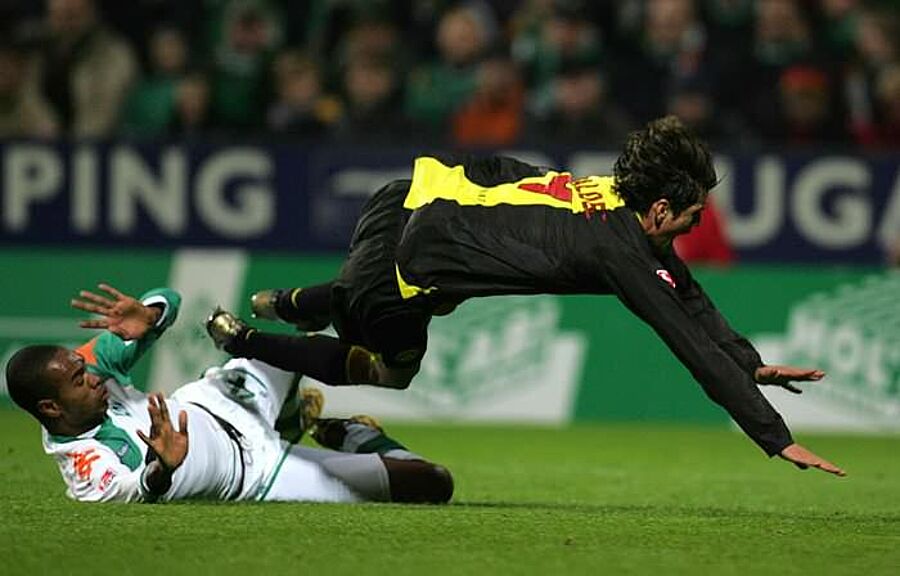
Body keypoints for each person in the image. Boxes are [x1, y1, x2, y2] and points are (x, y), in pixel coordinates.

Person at [206, 116, 846, 477]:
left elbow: (688, 295)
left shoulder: (608, 194)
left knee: (395, 300)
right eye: (691, 216)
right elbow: (685, 341)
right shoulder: (618, 251)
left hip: (404, 197)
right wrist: (774, 436)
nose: (694, 226)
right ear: (658, 209)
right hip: (403, 267)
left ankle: (290, 302)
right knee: (391, 371)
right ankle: (246, 339)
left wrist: (749, 363)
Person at [5, 284, 453, 504]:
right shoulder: (85, 467)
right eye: (78, 380)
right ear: (50, 407)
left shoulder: (90, 369)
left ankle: (290, 416)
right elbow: (136, 490)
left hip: (223, 399)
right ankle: (353, 435)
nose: (91, 377)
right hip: (258, 473)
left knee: (308, 340)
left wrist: (150, 314)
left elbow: (169, 299)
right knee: (432, 483)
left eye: (83, 369)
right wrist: (162, 465)